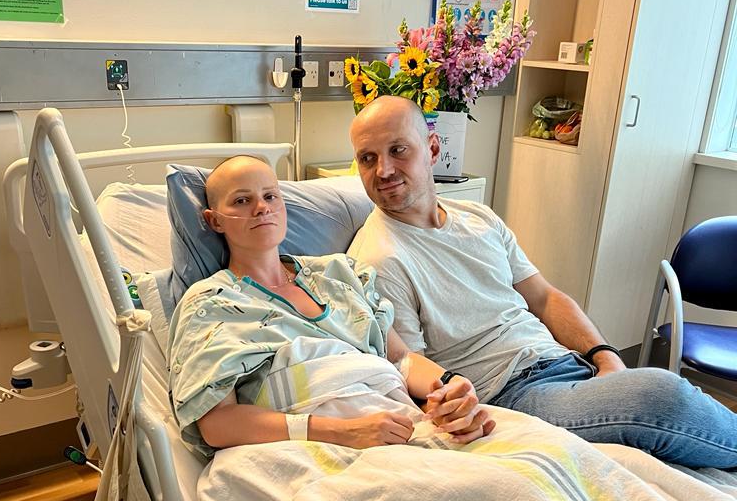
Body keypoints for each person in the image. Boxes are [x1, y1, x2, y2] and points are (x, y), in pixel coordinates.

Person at [348, 95, 737, 469]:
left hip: (565, 363)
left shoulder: (478, 218)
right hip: (513, 393)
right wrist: (451, 405)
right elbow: (407, 364)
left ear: (432, 149)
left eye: (398, 150)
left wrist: (606, 358)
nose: (383, 170)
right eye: (368, 158)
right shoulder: (379, 259)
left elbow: (546, 298)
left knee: (665, 407)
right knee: (660, 395)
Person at [167, 154, 495, 456]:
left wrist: (449, 389)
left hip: (394, 424)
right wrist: (343, 431)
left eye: (270, 196)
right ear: (214, 220)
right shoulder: (211, 303)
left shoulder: (340, 274)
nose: (262, 208)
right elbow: (217, 424)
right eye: (242, 200)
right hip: (311, 447)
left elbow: (400, 359)